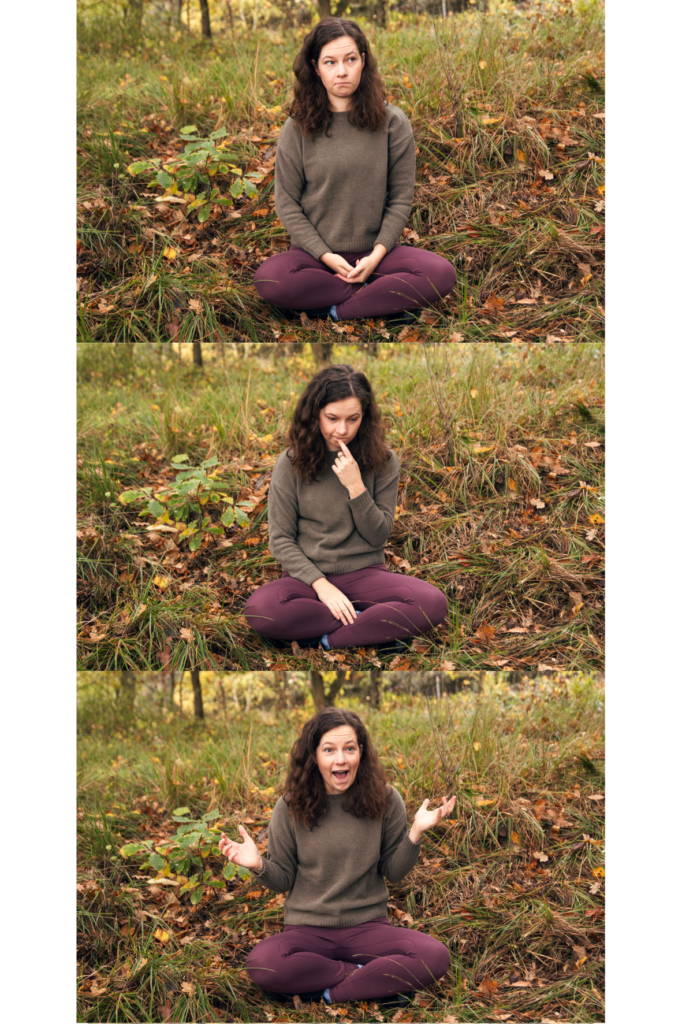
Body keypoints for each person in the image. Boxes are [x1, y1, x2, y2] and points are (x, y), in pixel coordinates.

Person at [219, 708, 456, 1007]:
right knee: (262, 963)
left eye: (350, 749)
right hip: (307, 933)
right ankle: (369, 979)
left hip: (369, 929)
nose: (340, 759)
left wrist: (417, 832)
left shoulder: (386, 799)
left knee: (435, 955)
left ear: (361, 754)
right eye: (329, 750)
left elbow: (393, 872)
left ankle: (330, 992)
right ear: (314, 756)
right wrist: (257, 864)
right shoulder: (290, 806)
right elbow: (283, 880)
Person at [254, 17, 457, 323]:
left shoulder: (393, 123)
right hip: (314, 259)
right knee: (270, 279)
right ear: (316, 67)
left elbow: (401, 199)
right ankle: (381, 297)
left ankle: (335, 310)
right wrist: (326, 256)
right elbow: (286, 203)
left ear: (363, 61)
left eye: (350, 59)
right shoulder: (297, 129)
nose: (342, 71)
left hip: (379, 255)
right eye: (330, 62)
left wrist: (375, 257)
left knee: (441, 274)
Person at [243, 364, 448, 652]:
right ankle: (371, 625)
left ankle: (326, 639)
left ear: (365, 417)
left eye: (353, 419)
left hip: (365, 574)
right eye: (332, 418)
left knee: (432, 603)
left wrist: (356, 487)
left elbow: (378, 537)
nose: (342, 430)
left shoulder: (384, 460)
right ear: (314, 415)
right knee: (261, 609)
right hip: (306, 579)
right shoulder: (290, 463)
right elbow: (280, 539)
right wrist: (321, 585)